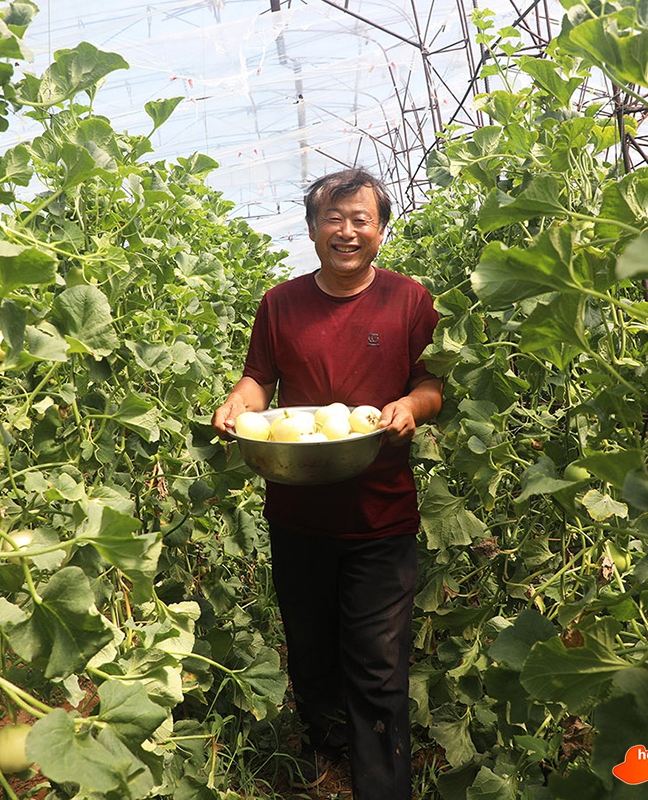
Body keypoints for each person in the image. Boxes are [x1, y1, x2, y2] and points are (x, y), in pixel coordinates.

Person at [211, 168, 442, 800]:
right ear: (312, 230)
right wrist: (237, 403)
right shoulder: (281, 303)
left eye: (361, 220)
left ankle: (383, 786)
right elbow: (259, 379)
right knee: (311, 653)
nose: (347, 232)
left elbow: (431, 384)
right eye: (332, 220)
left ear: (381, 230)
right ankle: (324, 746)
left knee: (378, 667)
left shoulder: (409, 301)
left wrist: (409, 408)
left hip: (381, 516)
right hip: (298, 514)